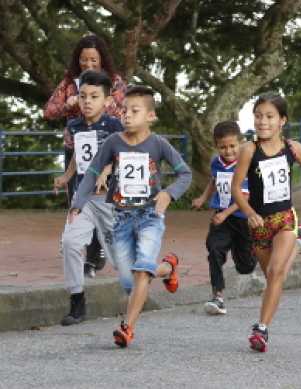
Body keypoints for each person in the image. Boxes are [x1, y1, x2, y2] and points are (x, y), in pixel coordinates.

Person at [70, 86, 192, 347]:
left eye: (134, 111)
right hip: (121, 219)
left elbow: (185, 174)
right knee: (130, 280)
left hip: (150, 216)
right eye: (124, 110)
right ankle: (168, 267)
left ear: (150, 116)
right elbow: (91, 173)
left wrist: (169, 194)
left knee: (140, 271)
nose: (126, 115)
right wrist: (77, 203)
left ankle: (127, 328)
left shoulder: (158, 144)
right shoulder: (113, 142)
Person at [191, 121, 301, 316]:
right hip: (221, 218)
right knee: (214, 249)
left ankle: (299, 239)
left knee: (246, 266)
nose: (228, 151)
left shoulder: (247, 160)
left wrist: (227, 212)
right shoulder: (216, 162)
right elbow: (214, 180)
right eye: (223, 147)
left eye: (232, 146)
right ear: (216, 147)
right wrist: (203, 197)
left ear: (240, 143)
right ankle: (217, 296)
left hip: (246, 218)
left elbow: (245, 194)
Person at [232, 93, 301, 352]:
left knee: (276, 272)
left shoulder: (293, 148)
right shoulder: (249, 150)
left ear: (282, 120)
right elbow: (237, 188)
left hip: (284, 218)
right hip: (259, 223)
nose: (263, 122)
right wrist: (249, 213)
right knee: (272, 276)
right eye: (258, 116)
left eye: (269, 116)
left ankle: (261, 329)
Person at [44, 34, 127, 277]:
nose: (88, 65)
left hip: (107, 146)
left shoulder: (114, 81)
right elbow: (49, 111)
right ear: (77, 60)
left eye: (93, 60)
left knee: (102, 200)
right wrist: (70, 104)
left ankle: (99, 253)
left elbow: (127, 110)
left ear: (102, 60)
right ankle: (83, 249)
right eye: (83, 60)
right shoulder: (70, 82)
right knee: (79, 198)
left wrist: (103, 108)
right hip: (76, 146)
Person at [52, 70, 129, 326]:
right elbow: (78, 158)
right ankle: (76, 300)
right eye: (83, 96)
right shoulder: (74, 127)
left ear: (107, 101)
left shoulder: (114, 126)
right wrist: (66, 176)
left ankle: (160, 270)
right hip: (83, 198)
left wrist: (108, 171)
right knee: (71, 243)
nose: (87, 101)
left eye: (94, 96)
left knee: (121, 261)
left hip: (109, 200)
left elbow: (124, 156)